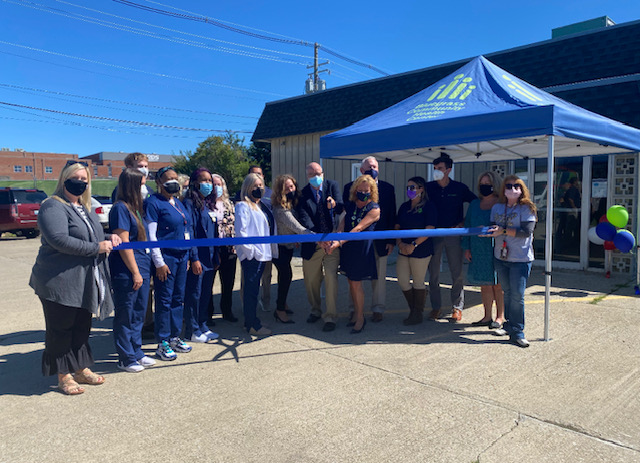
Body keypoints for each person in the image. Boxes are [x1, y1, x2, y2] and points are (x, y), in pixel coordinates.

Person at [30, 160, 119, 395]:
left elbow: (90, 235)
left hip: (84, 281)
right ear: (64, 179)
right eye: (75, 179)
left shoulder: (84, 207)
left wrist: (110, 237)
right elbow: (59, 239)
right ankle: (64, 375)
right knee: (61, 328)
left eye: (84, 180)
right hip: (58, 281)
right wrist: (97, 247)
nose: (79, 183)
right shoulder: (53, 206)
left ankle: (80, 368)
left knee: (81, 326)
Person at [146, 166, 198, 360]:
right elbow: (152, 235)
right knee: (165, 300)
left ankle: (175, 336)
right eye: (168, 179)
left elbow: (187, 230)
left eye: (175, 178)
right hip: (166, 258)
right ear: (159, 182)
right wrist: (159, 262)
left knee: (178, 298)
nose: (173, 182)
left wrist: (189, 256)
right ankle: (162, 341)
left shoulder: (177, 202)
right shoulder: (154, 203)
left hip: (181, 256)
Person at [109, 168, 156, 372]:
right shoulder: (120, 209)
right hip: (128, 269)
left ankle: (137, 350)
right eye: (142, 184)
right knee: (126, 313)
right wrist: (135, 272)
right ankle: (125, 356)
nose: (145, 188)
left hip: (142, 265)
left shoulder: (136, 208)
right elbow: (124, 243)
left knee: (139, 312)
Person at [484, 175, 537, 348]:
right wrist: (486, 232)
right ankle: (509, 325)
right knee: (507, 292)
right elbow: (493, 228)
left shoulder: (527, 208)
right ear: (503, 189)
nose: (512, 189)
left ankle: (518, 332)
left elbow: (526, 231)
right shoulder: (497, 207)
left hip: (520, 259)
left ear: (522, 189)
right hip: (501, 257)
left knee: (517, 296)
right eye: (508, 186)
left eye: (516, 186)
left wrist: (503, 230)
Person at [343, 156, 396, 322]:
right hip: (357, 242)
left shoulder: (387, 188)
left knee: (379, 276)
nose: (372, 169)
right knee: (354, 277)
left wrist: (391, 240)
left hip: (380, 239)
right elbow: (347, 214)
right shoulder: (350, 188)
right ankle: (355, 309)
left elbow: (391, 214)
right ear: (361, 170)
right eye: (368, 167)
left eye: (374, 166)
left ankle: (378, 308)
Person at [426, 152, 477, 322]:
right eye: (434, 168)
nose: (436, 171)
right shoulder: (429, 188)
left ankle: (457, 307)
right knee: (433, 273)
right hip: (433, 235)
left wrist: (464, 222)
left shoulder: (459, 188)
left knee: (457, 272)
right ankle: (436, 307)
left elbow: (475, 203)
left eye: (439, 168)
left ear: (448, 169)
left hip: (454, 235)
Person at [328, 175, 380, 334]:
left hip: (361, 249)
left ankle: (360, 317)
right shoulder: (351, 204)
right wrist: (337, 236)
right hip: (348, 248)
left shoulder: (374, 208)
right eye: (360, 189)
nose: (363, 192)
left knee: (357, 284)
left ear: (371, 191)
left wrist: (339, 242)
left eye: (366, 190)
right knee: (351, 282)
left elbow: (358, 228)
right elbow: (343, 223)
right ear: (355, 189)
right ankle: (356, 314)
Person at [297, 162, 344, 332]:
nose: (315, 177)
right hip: (313, 244)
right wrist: (318, 239)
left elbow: (341, 206)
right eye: (311, 174)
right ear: (307, 176)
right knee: (312, 280)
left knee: (331, 277)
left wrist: (334, 205)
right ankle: (315, 310)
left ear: (323, 173)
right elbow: (304, 219)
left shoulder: (332, 186)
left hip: (332, 243)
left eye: (318, 173)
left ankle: (330, 316)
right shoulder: (302, 195)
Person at [461, 171, 505, 329]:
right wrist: (466, 247)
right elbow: (467, 225)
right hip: (477, 248)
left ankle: (500, 317)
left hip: (496, 247)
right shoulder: (474, 204)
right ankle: (487, 316)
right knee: (484, 284)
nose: (484, 186)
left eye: (488, 183)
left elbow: (504, 226)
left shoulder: (501, 204)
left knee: (497, 284)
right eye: (482, 184)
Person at [182, 168, 220, 343]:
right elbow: (190, 231)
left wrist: (216, 256)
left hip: (210, 256)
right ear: (195, 183)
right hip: (199, 256)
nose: (208, 184)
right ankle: (192, 329)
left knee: (206, 292)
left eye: (210, 181)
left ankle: (203, 325)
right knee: (194, 294)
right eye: (204, 180)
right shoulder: (190, 203)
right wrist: (194, 257)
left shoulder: (208, 204)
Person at [235, 173, 274, 336]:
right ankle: (252, 325)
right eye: (255, 186)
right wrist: (252, 252)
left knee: (253, 290)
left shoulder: (258, 206)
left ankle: (251, 321)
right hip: (252, 256)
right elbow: (241, 232)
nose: (259, 189)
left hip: (261, 254)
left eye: (261, 185)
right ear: (247, 187)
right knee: (251, 292)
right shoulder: (243, 206)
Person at [394, 176, 437, 325]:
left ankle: (417, 313)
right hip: (403, 249)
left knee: (418, 281)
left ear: (421, 189)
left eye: (412, 187)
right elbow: (397, 225)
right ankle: (413, 308)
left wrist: (413, 244)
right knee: (403, 280)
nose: (409, 190)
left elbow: (429, 229)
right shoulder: (404, 206)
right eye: (408, 187)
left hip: (421, 249)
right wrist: (400, 244)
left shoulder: (429, 206)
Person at [271, 174, 313, 323]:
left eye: (292, 186)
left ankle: (282, 303)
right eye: (287, 187)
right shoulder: (281, 209)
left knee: (283, 276)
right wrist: (316, 237)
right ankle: (280, 310)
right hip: (279, 248)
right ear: (280, 190)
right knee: (286, 276)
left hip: (288, 247)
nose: (290, 189)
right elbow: (298, 228)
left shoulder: (290, 204)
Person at [207, 173, 238, 323]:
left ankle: (227, 310)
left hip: (229, 248)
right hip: (211, 248)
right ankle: (208, 313)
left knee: (228, 281)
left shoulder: (229, 204)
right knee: (209, 283)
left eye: (219, 184)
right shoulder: (205, 204)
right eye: (213, 184)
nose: (216, 187)